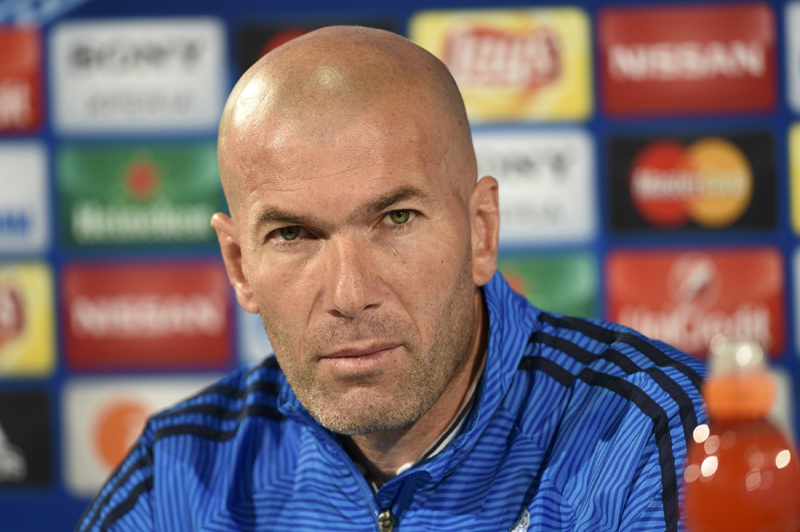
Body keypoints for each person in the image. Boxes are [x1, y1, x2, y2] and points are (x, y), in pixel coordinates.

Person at [75, 26, 706, 532]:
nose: (350, 295)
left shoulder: (652, 440)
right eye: (294, 235)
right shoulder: (180, 477)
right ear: (240, 266)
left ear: (480, 231)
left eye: (395, 219)